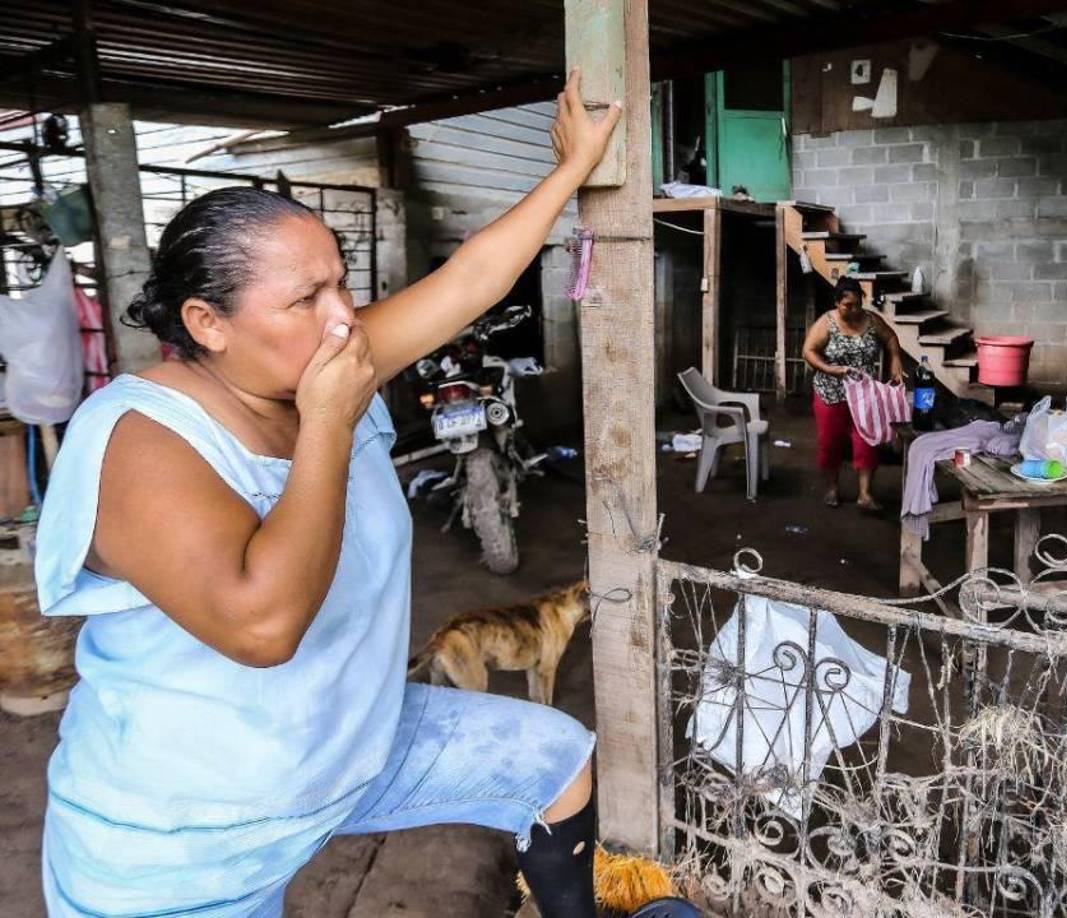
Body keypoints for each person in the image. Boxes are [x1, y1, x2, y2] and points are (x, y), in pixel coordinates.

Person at [35, 71, 690, 918]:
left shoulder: (320, 361)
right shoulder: (140, 439)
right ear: (206, 324)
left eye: (340, 282)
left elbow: (468, 283)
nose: (345, 316)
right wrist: (329, 428)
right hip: (184, 839)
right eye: (306, 298)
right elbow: (263, 626)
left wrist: (570, 170)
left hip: (342, 749)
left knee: (551, 755)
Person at [801, 275, 905, 512]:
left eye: (858, 303)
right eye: (848, 305)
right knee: (830, 442)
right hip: (831, 392)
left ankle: (865, 494)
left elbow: (890, 337)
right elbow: (808, 351)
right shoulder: (826, 323)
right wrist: (830, 369)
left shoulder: (871, 320)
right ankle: (832, 488)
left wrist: (896, 359)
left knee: (867, 440)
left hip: (863, 394)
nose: (855, 309)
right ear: (837, 303)